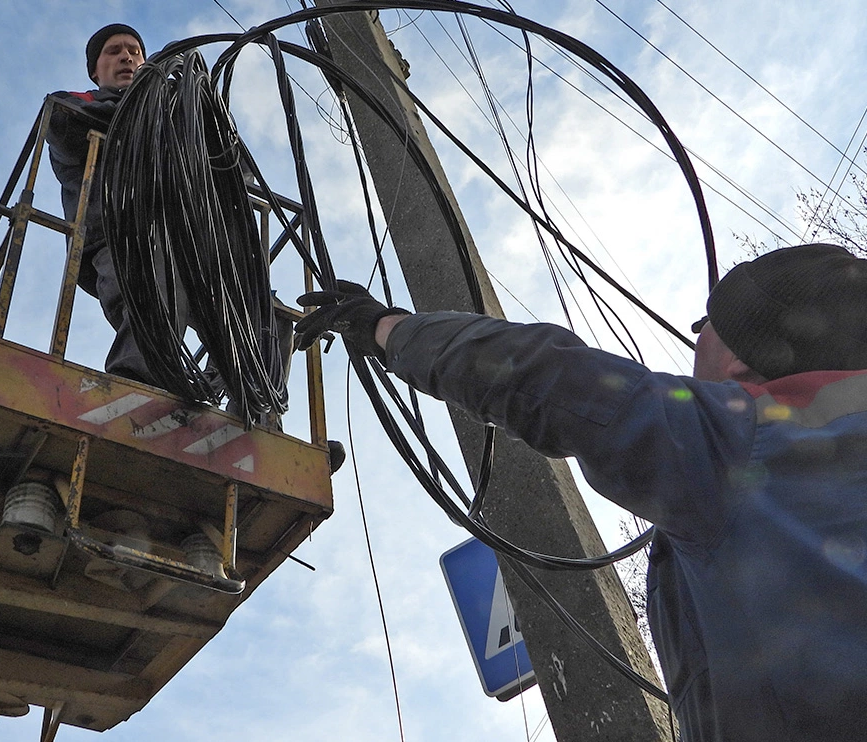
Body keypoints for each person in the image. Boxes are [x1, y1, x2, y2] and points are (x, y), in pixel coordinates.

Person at [294, 243, 867, 741]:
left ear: (741, 356)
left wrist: (384, 328)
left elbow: (544, 378)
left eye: (702, 326)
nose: (694, 342)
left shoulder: (744, 444)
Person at [46, 23, 156, 384]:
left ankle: (257, 405)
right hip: (115, 237)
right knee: (146, 290)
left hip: (184, 238)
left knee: (262, 312)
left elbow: (236, 169)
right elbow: (64, 124)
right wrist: (148, 113)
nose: (127, 56)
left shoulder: (174, 117)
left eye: (135, 51)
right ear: (95, 70)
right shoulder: (78, 103)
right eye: (114, 51)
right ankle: (134, 381)